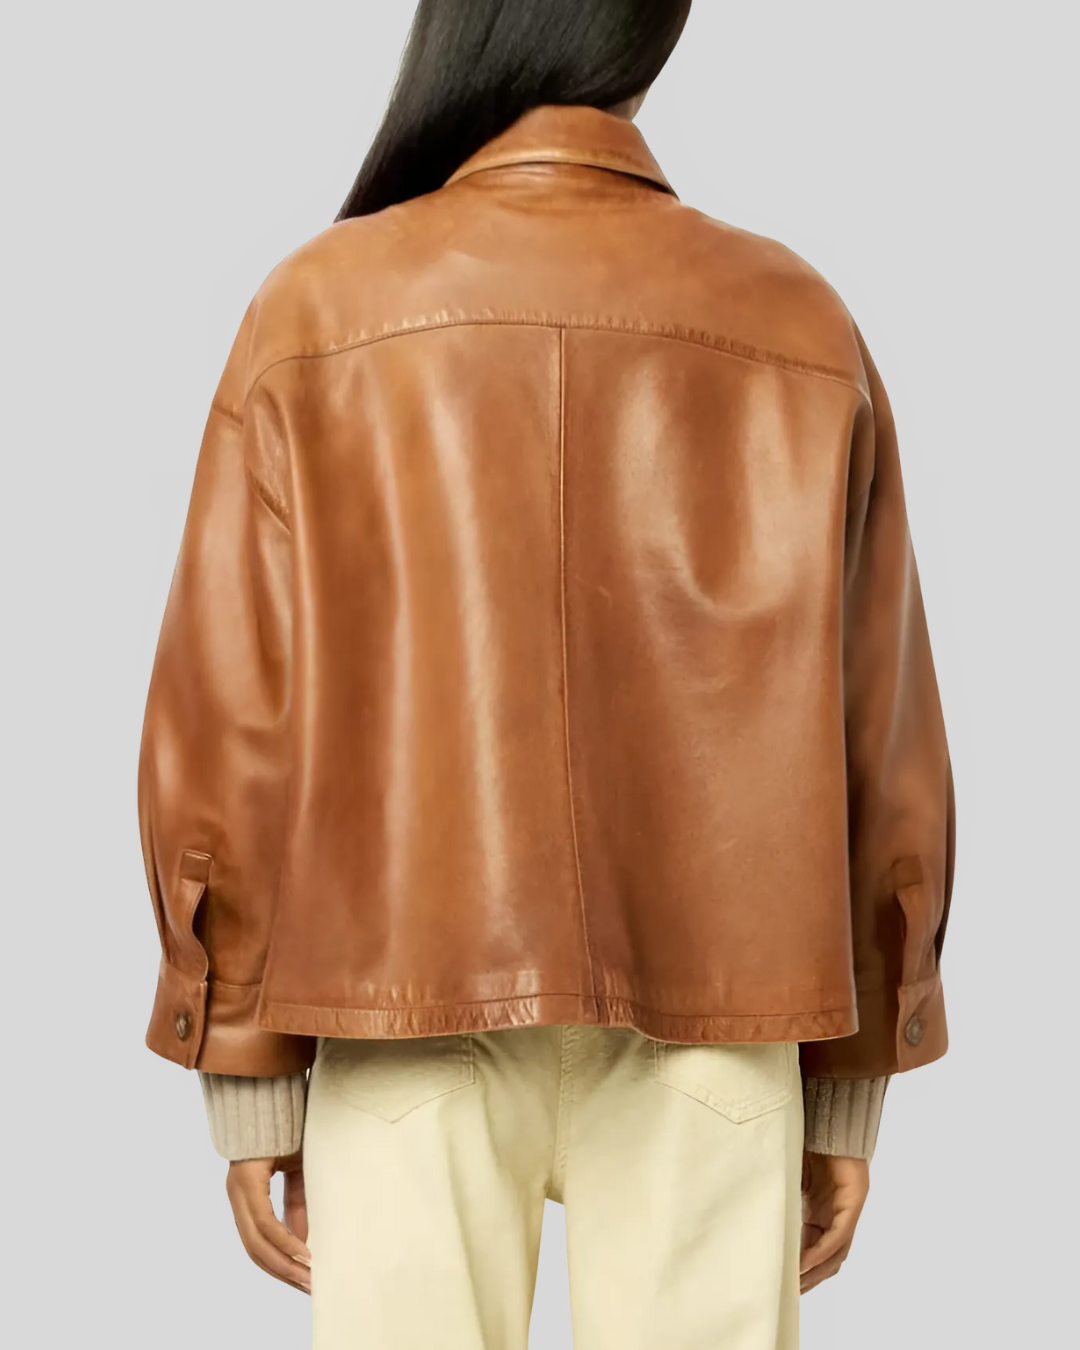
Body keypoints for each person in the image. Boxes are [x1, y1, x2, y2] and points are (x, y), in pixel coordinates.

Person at [136, 1, 955, 1345]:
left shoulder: (320, 306)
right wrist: (852, 1076)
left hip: (398, 1008)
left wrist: (248, 1071)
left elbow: (229, 717)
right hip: (720, 1017)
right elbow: (883, 725)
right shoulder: (797, 320)